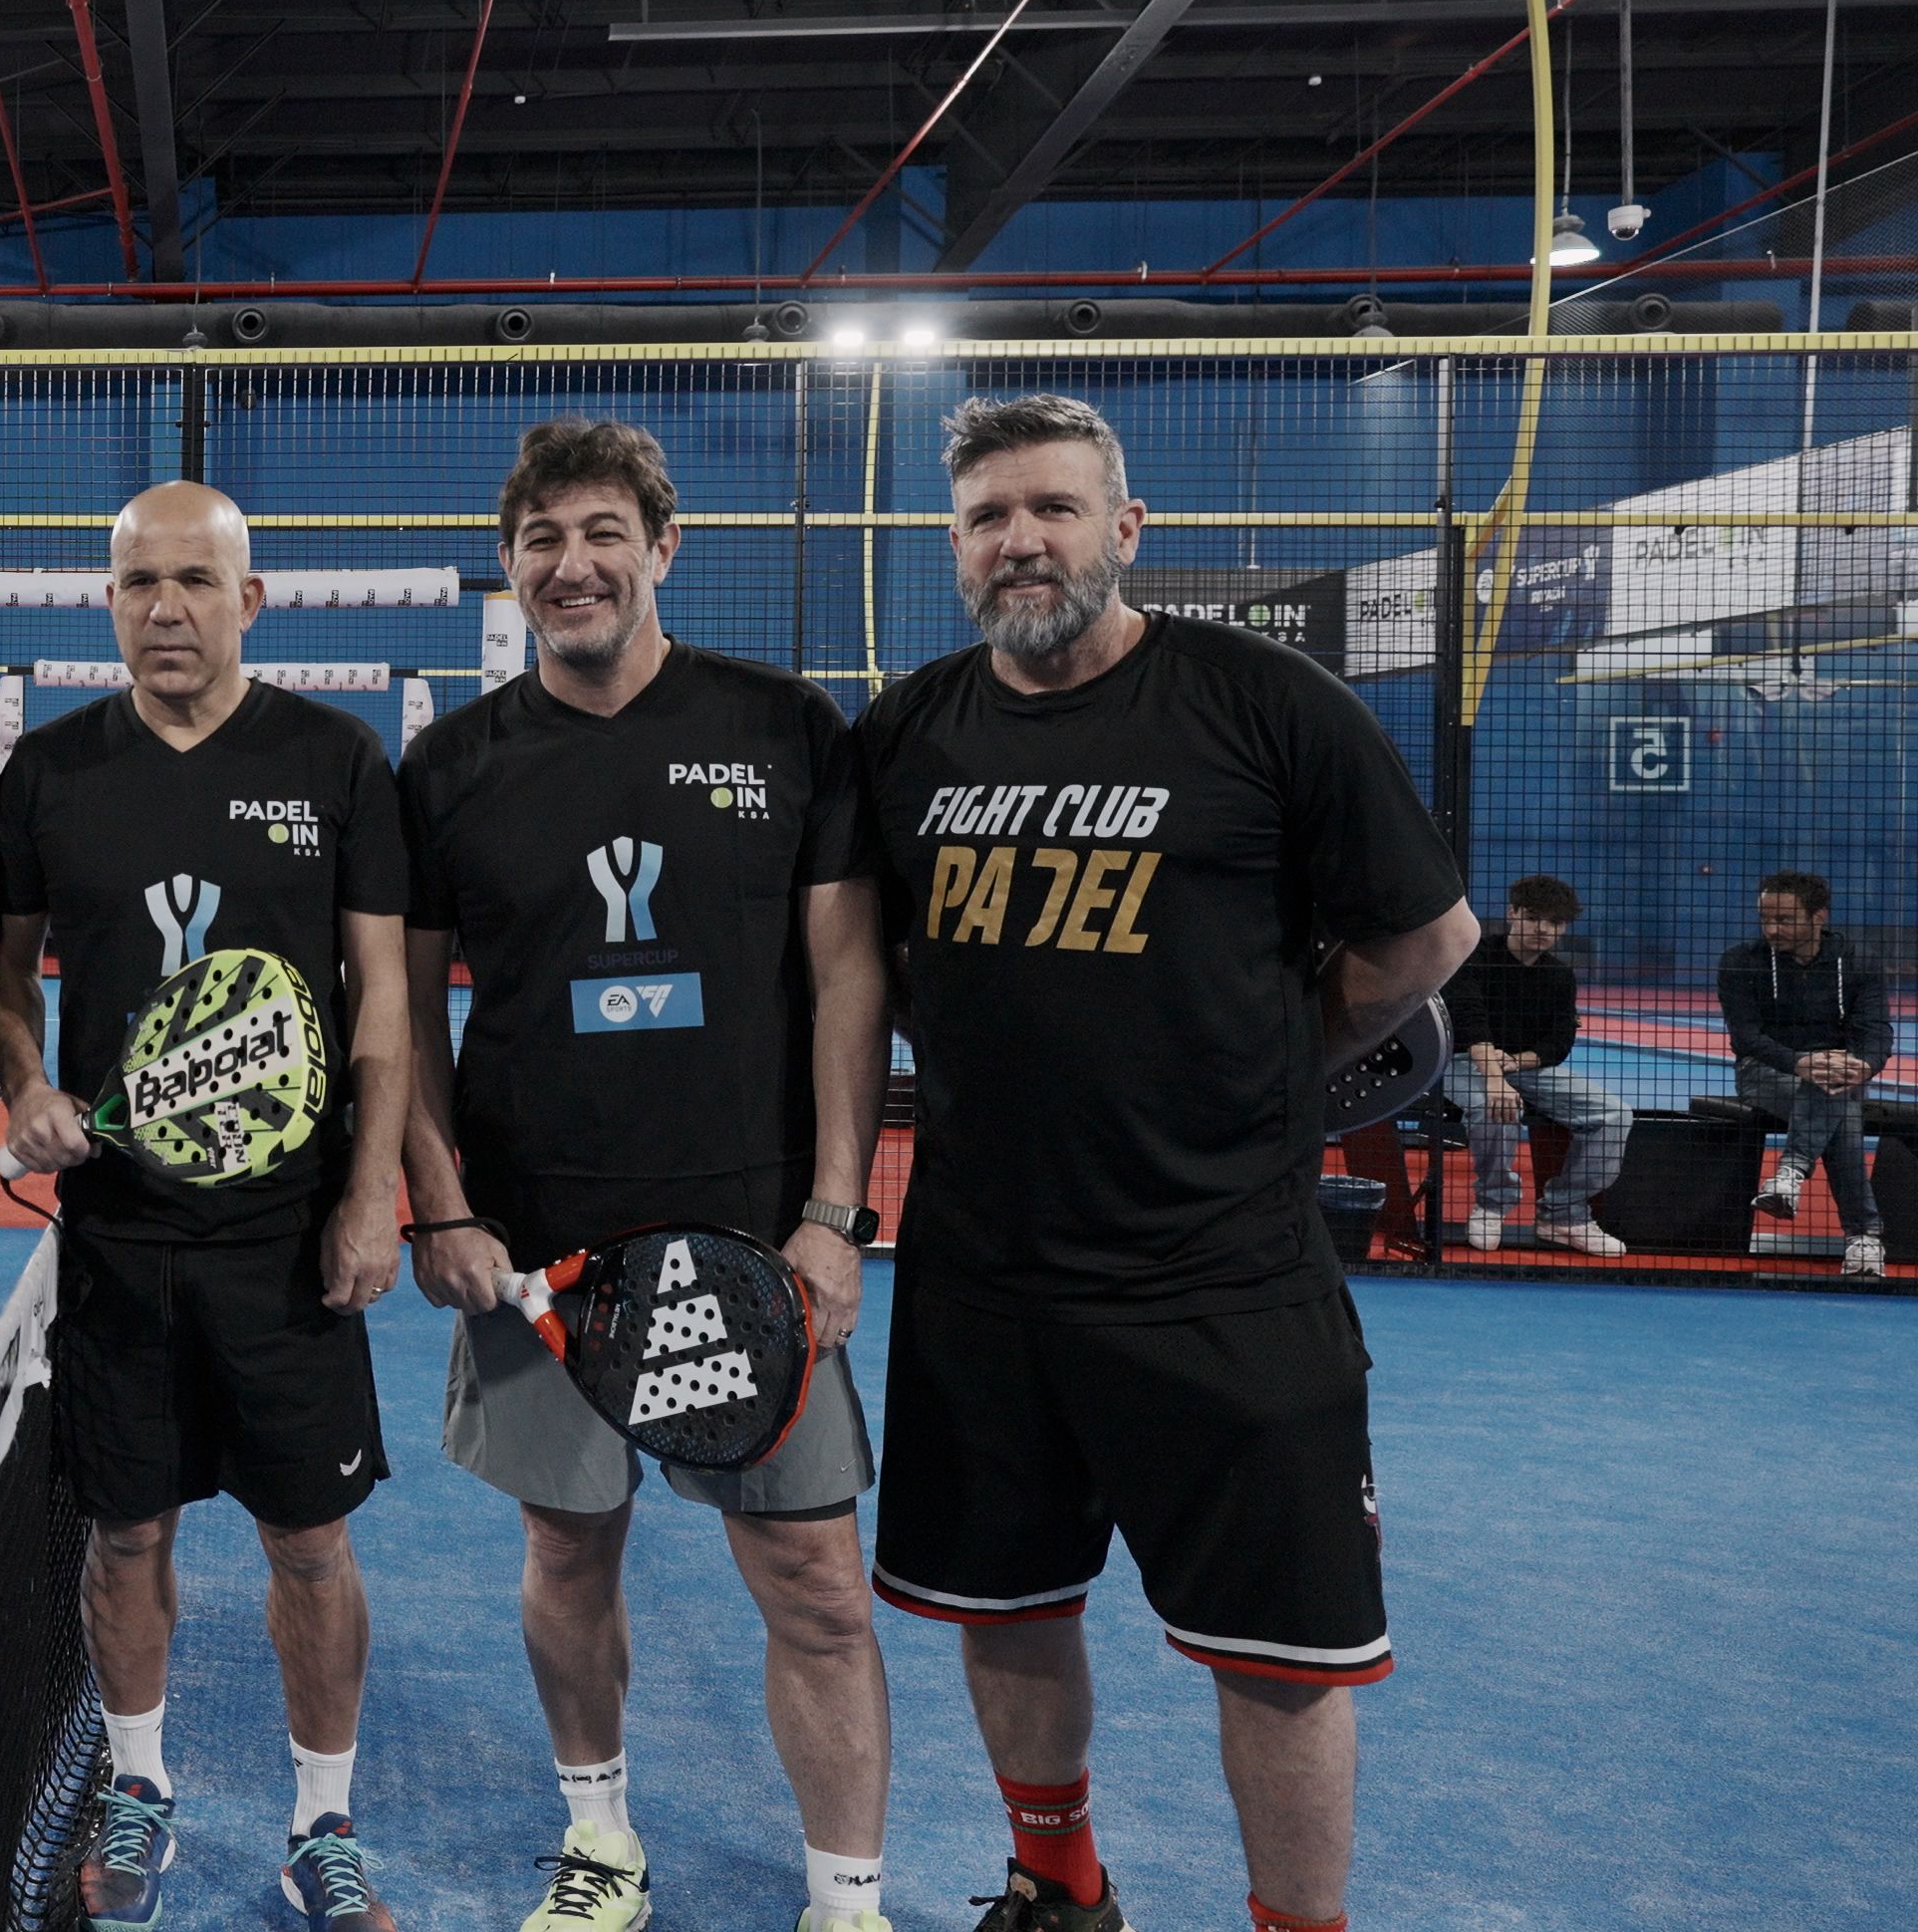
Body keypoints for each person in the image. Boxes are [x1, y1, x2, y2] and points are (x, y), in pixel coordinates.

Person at [854, 395, 1476, 1932]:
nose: (1021, 541)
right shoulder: (907, 733)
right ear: (956, 545)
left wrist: (1267, 1057)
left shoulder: (1266, 704)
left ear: (1126, 530)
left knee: (1282, 1654)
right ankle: (1057, 1884)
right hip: (983, 1281)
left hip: (1224, 1278)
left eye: (1054, 509)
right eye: (989, 516)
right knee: (1005, 1611)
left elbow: (1428, 941)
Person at [398, 417, 894, 1932]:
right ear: (510, 567)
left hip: (756, 1235)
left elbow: (849, 971)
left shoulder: (782, 726)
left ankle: (848, 1899)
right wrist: (443, 1203)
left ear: (663, 548)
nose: (574, 564)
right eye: (541, 538)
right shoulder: (451, 765)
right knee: (567, 1550)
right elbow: (407, 1014)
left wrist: (831, 1214)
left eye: (603, 531)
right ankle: (601, 1843)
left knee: (813, 1581)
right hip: (540, 1248)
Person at [0, 482, 415, 1932]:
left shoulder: (337, 759)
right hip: (119, 1237)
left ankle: (321, 1820)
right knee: (127, 1536)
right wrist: (29, 1085)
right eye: (137, 583)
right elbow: (2, 983)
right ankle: (141, 1785)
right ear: (109, 602)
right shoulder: (46, 773)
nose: (165, 608)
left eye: (194, 581)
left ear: (252, 598)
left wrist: (374, 1195)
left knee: (310, 1540)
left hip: (287, 1242)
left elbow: (383, 1001)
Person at [1438, 876, 1630, 1257]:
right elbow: (1469, 1020)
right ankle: (1492, 1206)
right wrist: (1495, 1078)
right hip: (1466, 1061)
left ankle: (1564, 1213)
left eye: (1555, 924)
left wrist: (1517, 1062)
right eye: (1534, 918)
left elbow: (1559, 1041)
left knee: (1615, 1114)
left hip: (1523, 1067)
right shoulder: (1474, 956)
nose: (1543, 930)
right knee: (1496, 1109)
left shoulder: (1560, 975)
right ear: (1513, 914)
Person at [1719, 870, 1891, 1276]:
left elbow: (1876, 1031)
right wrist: (1800, 1063)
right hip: (1763, 1072)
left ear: (1819, 918)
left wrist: (1864, 1065)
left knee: (1835, 1092)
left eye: (1783, 919)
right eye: (1765, 919)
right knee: (1836, 1097)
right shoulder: (1740, 962)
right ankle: (1864, 1236)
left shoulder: (1859, 963)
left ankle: (1789, 1175)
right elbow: (1746, 1038)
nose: (1771, 929)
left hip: (1838, 1075)